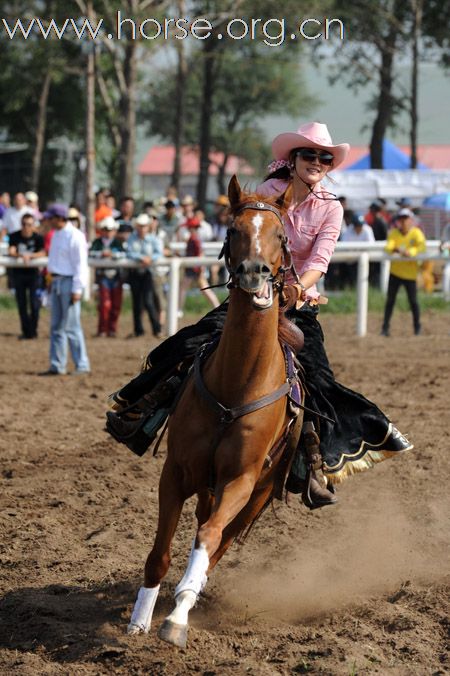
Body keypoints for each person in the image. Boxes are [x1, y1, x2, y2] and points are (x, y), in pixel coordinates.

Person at [107, 122, 412, 509]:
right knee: (188, 343)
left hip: (297, 306)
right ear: (293, 159)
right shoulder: (265, 194)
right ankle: (142, 411)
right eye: (309, 155)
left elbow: (321, 258)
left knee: (318, 379)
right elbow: (243, 231)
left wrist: (299, 287)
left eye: (324, 157)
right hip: (247, 296)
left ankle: (313, 465)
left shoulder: (331, 208)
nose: (317, 162)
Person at [40, 204, 90, 375]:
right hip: (57, 281)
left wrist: (77, 288)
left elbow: (80, 265)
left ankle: (81, 364)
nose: (49, 220)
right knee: (56, 326)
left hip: (68, 282)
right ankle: (57, 364)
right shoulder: (57, 235)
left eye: (51, 217)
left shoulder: (75, 236)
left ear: (60, 218)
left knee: (71, 326)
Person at [381, 208, 426, 337]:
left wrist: (410, 252)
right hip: (395, 272)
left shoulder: (416, 233)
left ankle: (417, 328)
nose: (404, 221)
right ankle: (385, 328)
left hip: (410, 274)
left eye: (406, 219)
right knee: (390, 301)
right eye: (402, 219)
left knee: (413, 302)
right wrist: (402, 251)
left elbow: (422, 246)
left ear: (411, 220)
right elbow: (389, 247)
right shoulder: (394, 233)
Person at [8, 213, 45, 339]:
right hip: (18, 275)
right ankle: (26, 331)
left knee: (35, 304)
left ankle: (33, 331)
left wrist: (30, 256)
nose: (26, 227)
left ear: (33, 225)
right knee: (21, 304)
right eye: (24, 224)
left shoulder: (38, 238)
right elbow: (11, 251)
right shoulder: (14, 236)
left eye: (29, 224)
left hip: (34, 275)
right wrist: (21, 256)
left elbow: (43, 252)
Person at [127, 213, 163, 338]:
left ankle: (156, 328)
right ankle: (139, 330)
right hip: (135, 274)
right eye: (140, 226)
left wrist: (149, 259)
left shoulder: (153, 239)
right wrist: (143, 258)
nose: (142, 229)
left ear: (147, 227)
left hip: (147, 273)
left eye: (144, 226)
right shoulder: (132, 238)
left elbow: (159, 253)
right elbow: (129, 252)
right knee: (137, 302)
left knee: (148, 301)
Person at [90, 216, 126, 337]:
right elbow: (91, 253)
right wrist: (102, 254)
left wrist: (112, 255)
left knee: (116, 304)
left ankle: (112, 329)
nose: (108, 232)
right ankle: (102, 330)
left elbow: (123, 254)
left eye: (110, 229)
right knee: (105, 304)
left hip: (116, 277)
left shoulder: (117, 243)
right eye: (106, 229)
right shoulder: (97, 242)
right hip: (103, 277)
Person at [179, 217, 220, 313]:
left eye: (189, 227)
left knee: (184, 288)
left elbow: (200, 254)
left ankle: (178, 309)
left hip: (194, 268)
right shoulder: (194, 238)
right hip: (195, 267)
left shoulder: (194, 239)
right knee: (204, 289)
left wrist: (201, 269)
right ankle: (217, 307)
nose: (188, 229)